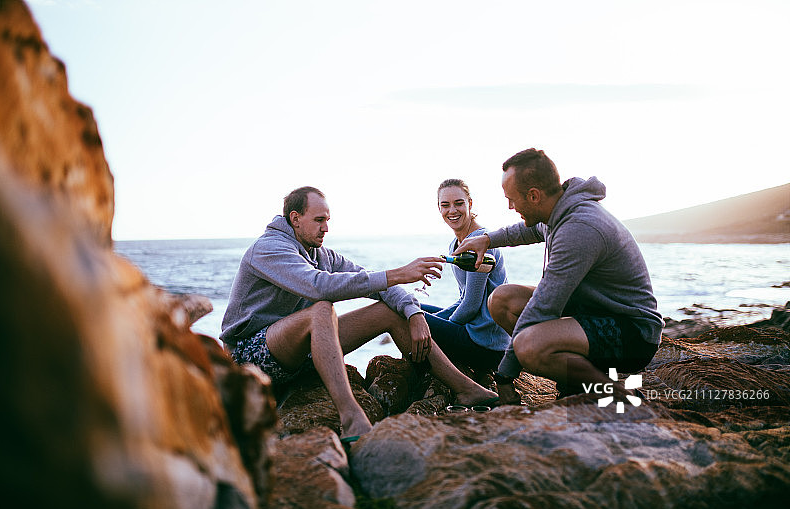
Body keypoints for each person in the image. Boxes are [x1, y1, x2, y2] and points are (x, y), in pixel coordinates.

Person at [221, 186, 498, 441]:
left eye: (327, 220)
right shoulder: (269, 248)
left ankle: (466, 389)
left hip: (297, 355)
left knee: (388, 311)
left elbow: (367, 279)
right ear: (295, 218)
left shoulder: (320, 254)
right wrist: (400, 273)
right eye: (319, 220)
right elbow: (318, 287)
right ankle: (351, 418)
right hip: (249, 356)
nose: (326, 228)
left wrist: (413, 313)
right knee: (321, 309)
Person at [453, 149, 663, 404]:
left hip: (631, 331)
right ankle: (575, 381)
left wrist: (505, 376)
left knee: (529, 347)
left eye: (512, 199)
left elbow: (543, 308)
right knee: (502, 300)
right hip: (592, 313)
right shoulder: (558, 210)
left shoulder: (579, 228)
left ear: (533, 195)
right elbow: (524, 232)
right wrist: (486, 239)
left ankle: (618, 394)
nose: (510, 206)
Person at [419, 179, 511, 375]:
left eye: (458, 203)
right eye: (445, 205)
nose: (452, 210)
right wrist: (431, 320)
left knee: (405, 317)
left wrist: (430, 324)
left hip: (486, 344)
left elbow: (470, 305)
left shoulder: (483, 242)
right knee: (410, 308)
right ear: (439, 208)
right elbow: (463, 299)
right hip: (471, 330)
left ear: (469, 204)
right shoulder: (455, 244)